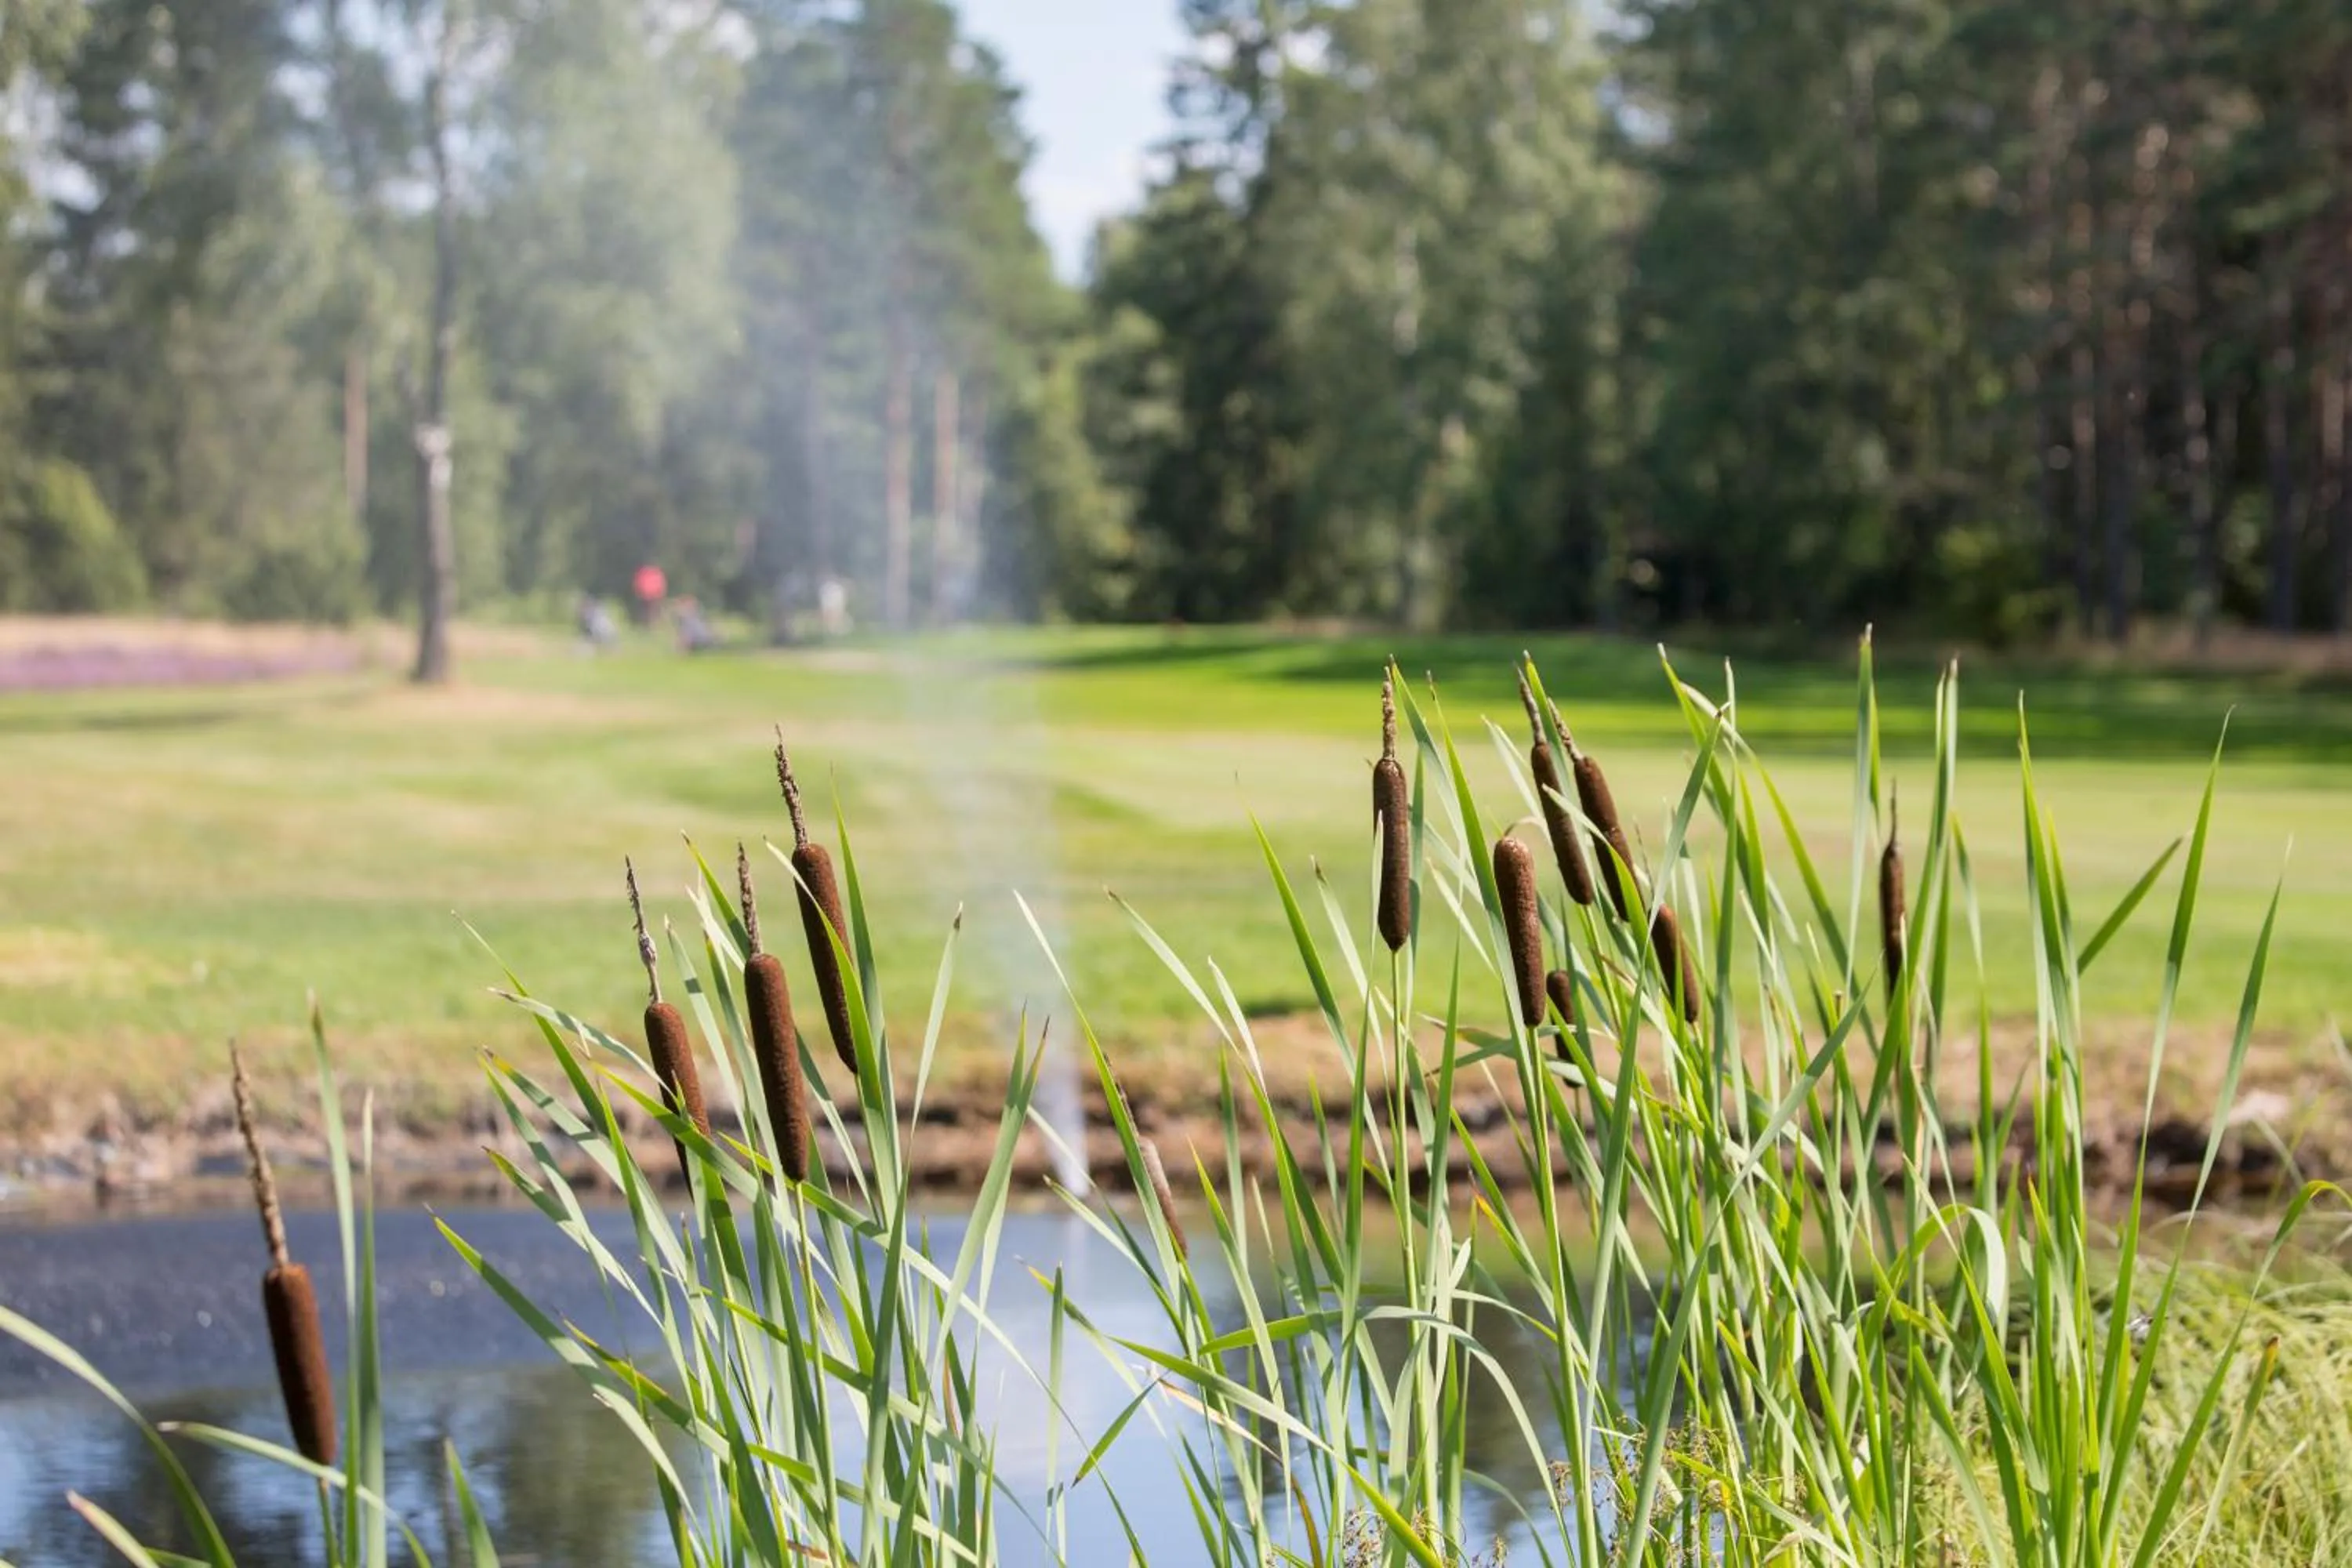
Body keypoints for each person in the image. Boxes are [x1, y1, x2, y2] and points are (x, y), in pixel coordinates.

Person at [630, 561, 667, 626]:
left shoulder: (644, 572)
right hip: (649, 596)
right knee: (649, 612)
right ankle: (648, 625)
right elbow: (660, 584)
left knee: (650, 612)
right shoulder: (655, 572)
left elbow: (638, 584)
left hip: (648, 596)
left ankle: (649, 625)